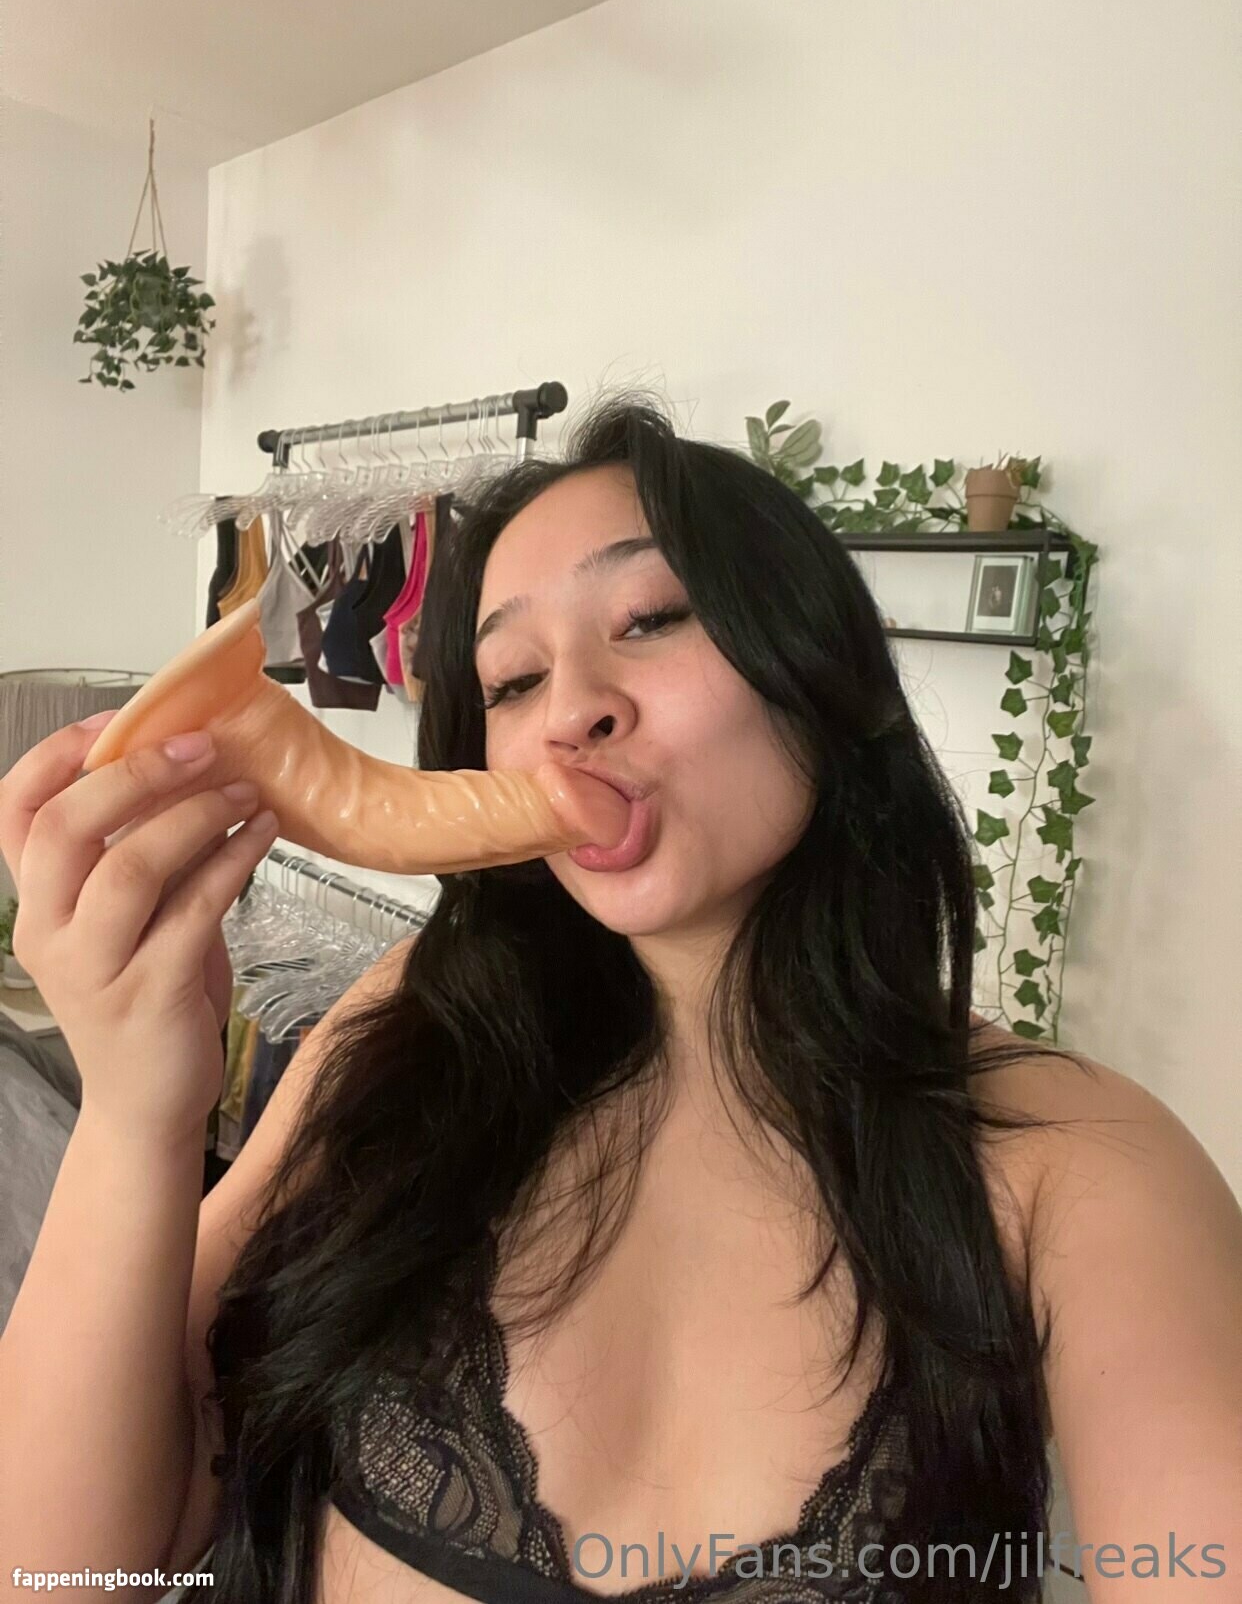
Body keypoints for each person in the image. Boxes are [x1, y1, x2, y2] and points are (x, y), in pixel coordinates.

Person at [1, 396, 1239, 1604]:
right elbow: (57, 1573)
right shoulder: (407, 1037)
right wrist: (137, 1111)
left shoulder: (1076, 1166)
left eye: (649, 618)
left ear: (820, 668)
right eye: (511, 681)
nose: (569, 713)